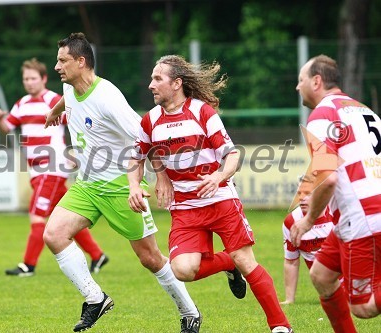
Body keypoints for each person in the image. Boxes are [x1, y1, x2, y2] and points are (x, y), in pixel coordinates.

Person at [43, 32, 207, 333]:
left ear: (81, 62)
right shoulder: (70, 88)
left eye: (62, 61)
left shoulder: (107, 97)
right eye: (57, 60)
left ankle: (189, 311)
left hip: (120, 185)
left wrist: (157, 177)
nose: (57, 67)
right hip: (88, 185)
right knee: (53, 235)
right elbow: (66, 102)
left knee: (150, 258)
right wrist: (55, 112)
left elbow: (143, 136)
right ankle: (95, 299)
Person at [128, 55, 294, 333]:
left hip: (220, 202)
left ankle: (280, 326)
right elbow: (137, 157)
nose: (150, 85)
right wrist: (139, 184)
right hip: (185, 208)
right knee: (182, 270)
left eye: (158, 79)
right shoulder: (150, 120)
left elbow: (232, 154)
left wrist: (219, 176)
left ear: (177, 83)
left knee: (247, 260)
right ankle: (228, 262)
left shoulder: (202, 112)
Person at [0, 57, 108, 277]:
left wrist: (72, 153)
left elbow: (75, 123)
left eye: (33, 78)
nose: (29, 82)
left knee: (37, 215)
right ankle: (97, 254)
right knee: (65, 217)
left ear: (43, 78)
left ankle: (28, 265)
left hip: (52, 167)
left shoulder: (54, 100)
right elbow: (7, 128)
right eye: (26, 78)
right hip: (36, 170)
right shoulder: (21, 103)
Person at [292, 54, 381, 332]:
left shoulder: (322, 114)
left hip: (364, 215)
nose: (297, 86)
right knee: (321, 275)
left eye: (301, 80)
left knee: (363, 307)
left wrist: (307, 221)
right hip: (363, 212)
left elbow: (328, 179)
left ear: (316, 81)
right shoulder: (363, 109)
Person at [280, 174, 336, 305]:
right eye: (299, 193)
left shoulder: (336, 214)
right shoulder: (291, 222)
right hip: (324, 283)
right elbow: (291, 262)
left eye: (308, 193)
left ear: (321, 194)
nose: (301, 198)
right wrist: (289, 300)